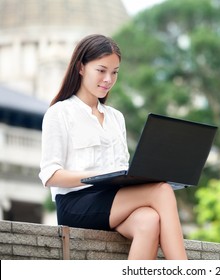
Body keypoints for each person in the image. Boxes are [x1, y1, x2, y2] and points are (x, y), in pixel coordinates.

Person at [39, 34, 188, 260]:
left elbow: (121, 165)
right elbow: (50, 175)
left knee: (149, 220)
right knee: (162, 190)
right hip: (76, 204)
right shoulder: (59, 113)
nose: (108, 79)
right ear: (80, 67)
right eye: (101, 70)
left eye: (115, 72)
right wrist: (98, 175)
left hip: (113, 198)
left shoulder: (116, 118)